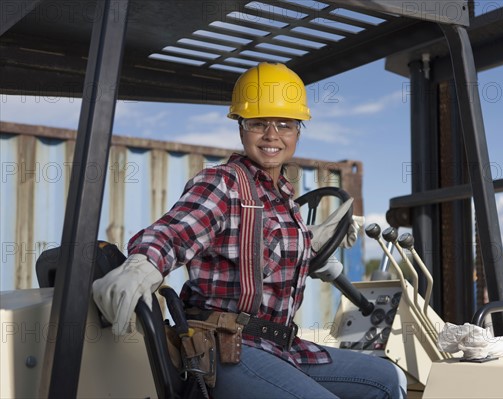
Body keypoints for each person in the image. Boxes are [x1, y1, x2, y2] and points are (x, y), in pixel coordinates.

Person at [93, 62, 407, 399]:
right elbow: (175, 231)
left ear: (298, 131)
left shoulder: (284, 197)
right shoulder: (223, 183)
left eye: (285, 124)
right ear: (242, 128)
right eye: (258, 123)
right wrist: (144, 262)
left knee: (386, 378)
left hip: (282, 344)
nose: (272, 135)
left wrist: (310, 241)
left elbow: (263, 250)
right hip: (227, 347)